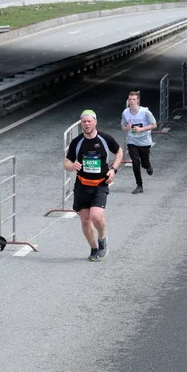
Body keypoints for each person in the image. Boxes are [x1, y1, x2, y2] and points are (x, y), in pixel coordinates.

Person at [64, 110, 123, 262]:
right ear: (81, 123)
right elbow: (66, 162)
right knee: (85, 220)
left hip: (100, 184)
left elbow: (119, 152)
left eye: (89, 121)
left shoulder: (105, 139)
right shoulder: (77, 142)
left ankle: (102, 239)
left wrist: (113, 169)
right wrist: (71, 166)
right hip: (82, 185)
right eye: (84, 122)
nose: (87, 124)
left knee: (96, 217)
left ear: (95, 122)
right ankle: (93, 248)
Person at [121, 91, 157, 194]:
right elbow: (123, 126)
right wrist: (127, 128)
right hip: (132, 140)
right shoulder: (125, 112)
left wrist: (142, 129)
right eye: (130, 99)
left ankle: (148, 165)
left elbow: (154, 125)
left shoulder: (145, 112)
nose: (131, 101)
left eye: (133, 99)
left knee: (144, 163)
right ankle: (139, 185)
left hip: (144, 141)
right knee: (135, 162)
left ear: (138, 101)